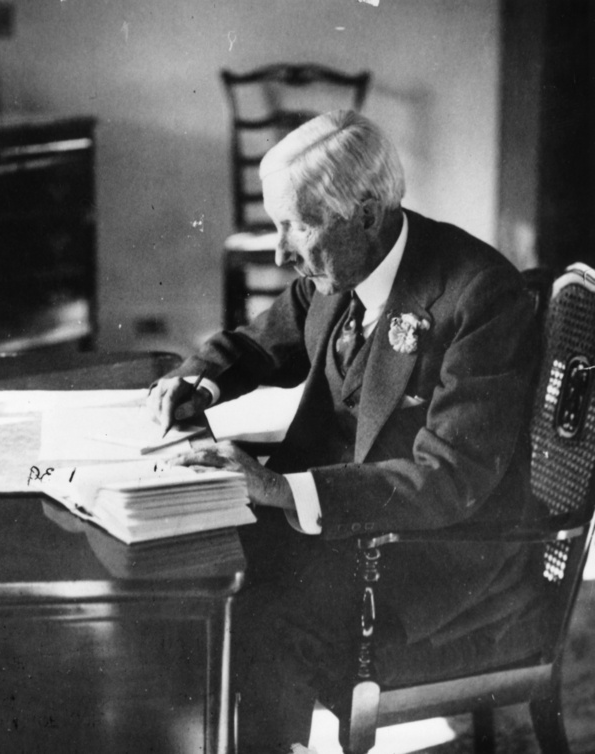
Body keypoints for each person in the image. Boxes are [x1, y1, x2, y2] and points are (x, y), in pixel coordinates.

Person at [146, 110, 542, 752]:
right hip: (345, 529)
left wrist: (275, 487)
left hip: (434, 556)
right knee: (182, 572)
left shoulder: (478, 297)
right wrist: (199, 381)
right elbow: (257, 341)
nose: (279, 253)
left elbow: (447, 480)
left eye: (295, 227)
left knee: (254, 611)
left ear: (364, 214)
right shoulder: (335, 271)